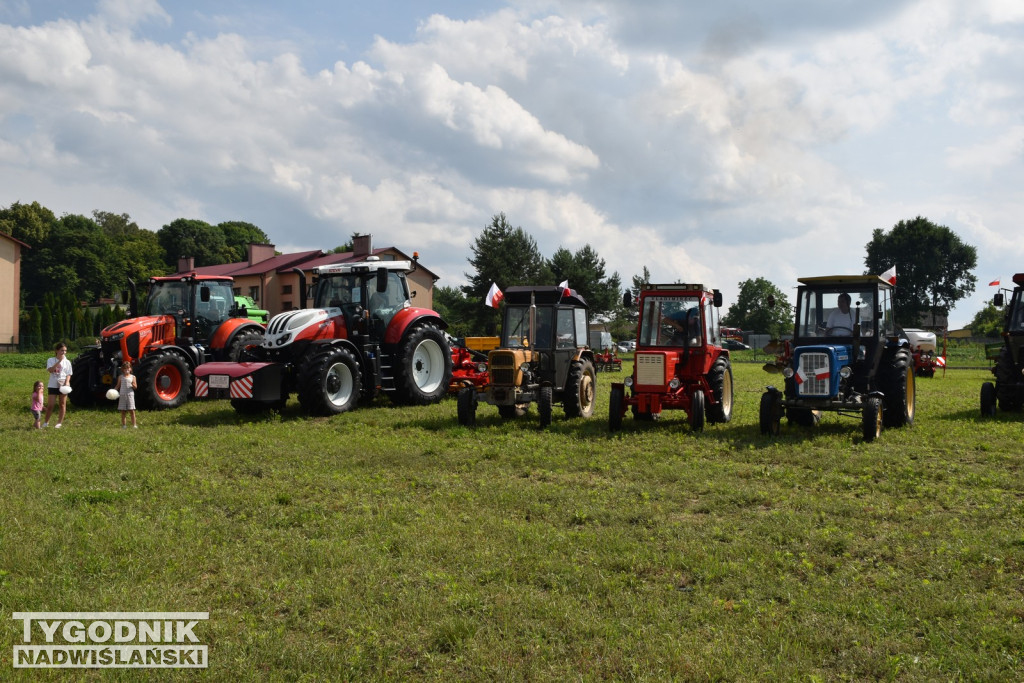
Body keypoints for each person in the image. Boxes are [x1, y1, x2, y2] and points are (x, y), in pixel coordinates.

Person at [43, 342, 72, 428]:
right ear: (56, 350)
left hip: (63, 385)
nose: (64, 352)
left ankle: (59, 423)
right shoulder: (50, 360)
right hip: (52, 385)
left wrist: (67, 383)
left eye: (65, 351)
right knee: (50, 405)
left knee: (62, 404)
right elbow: (51, 370)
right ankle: (46, 423)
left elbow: (69, 374)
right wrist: (59, 361)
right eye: (62, 350)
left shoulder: (67, 362)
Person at [117, 362, 138, 428]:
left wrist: (132, 384)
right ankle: (124, 425)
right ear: (123, 369)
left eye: (128, 368)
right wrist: (113, 391)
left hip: (130, 395)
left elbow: (135, 387)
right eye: (125, 368)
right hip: (122, 395)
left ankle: (134, 425)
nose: (127, 370)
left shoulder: (133, 377)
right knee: (123, 411)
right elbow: (118, 386)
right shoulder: (120, 377)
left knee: (131, 410)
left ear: (130, 369)